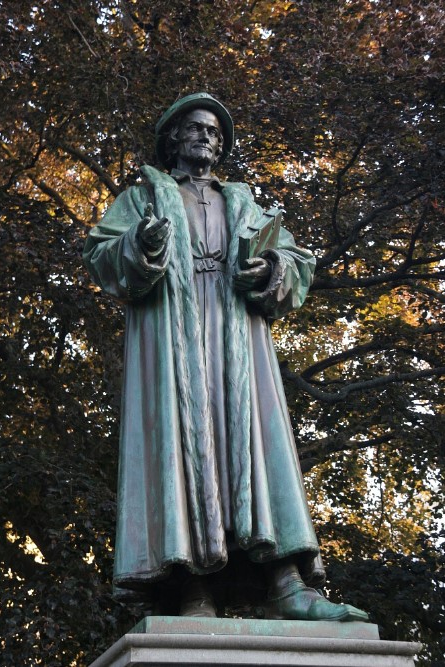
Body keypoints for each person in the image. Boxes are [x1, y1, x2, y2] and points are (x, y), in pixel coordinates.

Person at [83, 93, 368, 622]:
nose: (207, 138)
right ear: (173, 137)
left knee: (258, 449)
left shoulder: (244, 203)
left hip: (239, 342)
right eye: (196, 128)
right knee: (183, 450)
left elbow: (297, 262)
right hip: (173, 342)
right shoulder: (142, 198)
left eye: (215, 133)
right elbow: (101, 256)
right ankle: (194, 591)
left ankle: (287, 584)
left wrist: (272, 267)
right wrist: (141, 244)